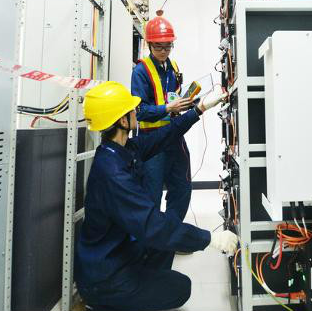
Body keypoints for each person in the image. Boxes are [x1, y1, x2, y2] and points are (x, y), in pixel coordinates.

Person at [74, 81, 238, 311]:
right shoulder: (112, 173)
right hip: (105, 277)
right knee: (180, 287)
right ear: (123, 121)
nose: (136, 112)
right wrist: (211, 239)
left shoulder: (122, 150)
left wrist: (199, 109)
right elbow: (152, 226)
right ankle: (106, 303)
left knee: (166, 240)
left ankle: (142, 284)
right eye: (132, 109)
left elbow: (165, 135)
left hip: (120, 253)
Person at [131, 11, 193, 229]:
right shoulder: (141, 71)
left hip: (174, 135)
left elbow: (173, 95)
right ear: (149, 45)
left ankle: (170, 232)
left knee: (182, 187)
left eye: (168, 46)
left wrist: (184, 103)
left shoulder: (173, 67)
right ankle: (151, 240)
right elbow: (140, 111)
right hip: (152, 139)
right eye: (159, 47)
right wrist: (168, 108)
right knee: (151, 193)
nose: (164, 51)